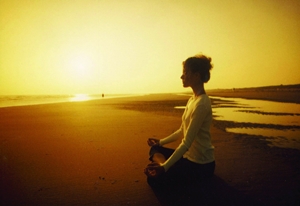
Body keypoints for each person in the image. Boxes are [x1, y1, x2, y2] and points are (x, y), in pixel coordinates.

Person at [144, 54, 215, 188]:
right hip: (187, 158)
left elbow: (186, 142)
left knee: (153, 180)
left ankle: (164, 166)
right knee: (155, 148)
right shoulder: (192, 100)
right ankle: (163, 165)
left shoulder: (202, 104)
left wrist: (164, 168)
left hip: (201, 165)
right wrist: (160, 142)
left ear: (197, 75)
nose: (182, 76)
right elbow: (182, 130)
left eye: (186, 73)